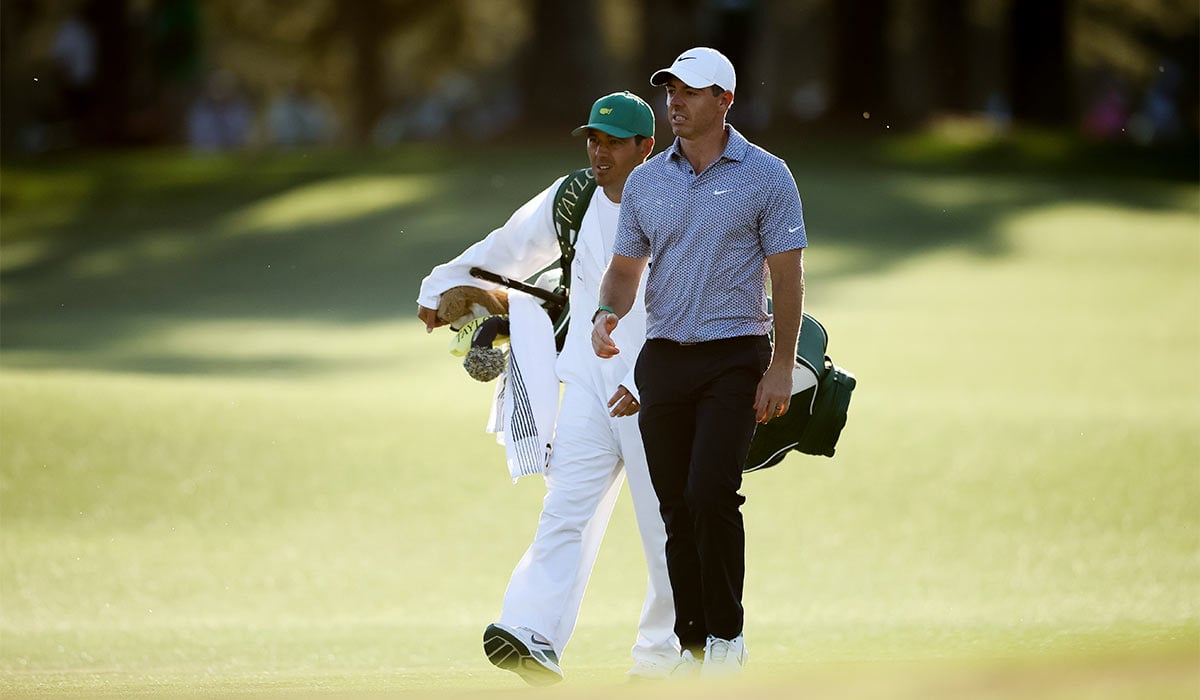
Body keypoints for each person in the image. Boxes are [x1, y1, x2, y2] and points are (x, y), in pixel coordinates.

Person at [416, 92, 679, 685]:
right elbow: (507, 247)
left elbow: (691, 302)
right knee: (564, 510)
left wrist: (654, 381)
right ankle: (532, 632)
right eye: (593, 138)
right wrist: (442, 286)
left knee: (665, 526)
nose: (598, 151)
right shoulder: (574, 196)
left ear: (646, 146)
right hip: (589, 381)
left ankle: (663, 659)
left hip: (657, 389)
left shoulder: (673, 200)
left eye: (612, 142)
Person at [592, 47, 807, 676]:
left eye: (691, 91)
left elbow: (788, 280)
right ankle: (688, 645)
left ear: (725, 101)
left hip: (736, 356)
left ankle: (727, 639)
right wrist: (607, 313)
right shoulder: (648, 181)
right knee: (673, 506)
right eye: (671, 91)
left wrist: (781, 367)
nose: (675, 102)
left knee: (711, 492)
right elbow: (626, 271)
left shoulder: (768, 176)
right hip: (665, 358)